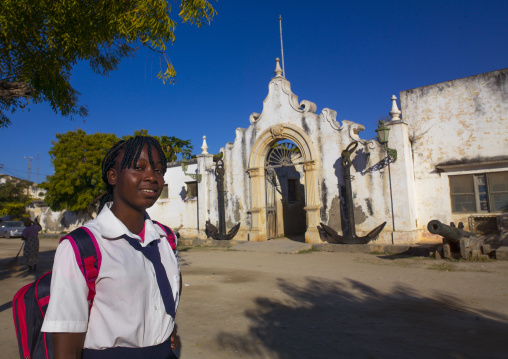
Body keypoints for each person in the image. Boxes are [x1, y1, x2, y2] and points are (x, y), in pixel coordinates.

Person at [41, 136, 181, 359]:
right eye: (139, 167)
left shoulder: (167, 238)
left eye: (158, 170)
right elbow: (68, 339)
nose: (152, 177)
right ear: (113, 176)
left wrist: (163, 330)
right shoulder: (83, 246)